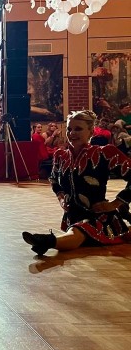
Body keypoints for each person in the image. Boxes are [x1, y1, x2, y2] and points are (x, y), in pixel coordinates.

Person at [22, 109, 131, 255]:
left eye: (78, 129)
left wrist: (115, 204)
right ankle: (45, 243)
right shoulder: (60, 156)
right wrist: (61, 198)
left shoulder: (104, 153)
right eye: (69, 129)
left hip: (98, 216)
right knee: (76, 232)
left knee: (78, 232)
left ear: (91, 132)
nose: (72, 133)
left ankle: (45, 241)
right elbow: (53, 179)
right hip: (73, 216)